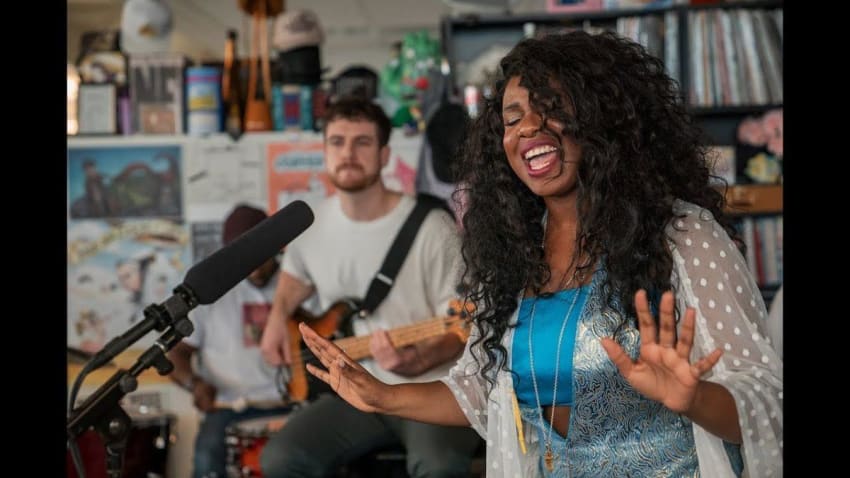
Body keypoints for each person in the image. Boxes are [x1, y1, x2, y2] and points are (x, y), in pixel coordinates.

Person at [296, 31, 783, 478]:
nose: (527, 128)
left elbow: (765, 400)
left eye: (550, 107)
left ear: (602, 119)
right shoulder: (514, 252)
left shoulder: (681, 234)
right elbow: (480, 392)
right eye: (512, 118)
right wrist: (381, 395)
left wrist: (695, 399)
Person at [258, 96, 481, 477]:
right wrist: (277, 316)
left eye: (362, 142)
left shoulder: (433, 229)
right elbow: (294, 280)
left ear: (384, 155)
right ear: (324, 151)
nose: (348, 153)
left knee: (438, 467)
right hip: (352, 391)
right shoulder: (308, 228)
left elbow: (464, 328)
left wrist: (419, 360)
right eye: (337, 142)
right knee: (280, 459)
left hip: (432, 389)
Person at [168, 204, 289, 478]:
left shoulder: (296, 281)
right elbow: (176, 354)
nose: (255, 267)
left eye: (261, 255)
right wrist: (194, 384)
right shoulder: (210, 289)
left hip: (289, 403)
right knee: (205, 460)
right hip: (229, 407)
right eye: (244, 258)